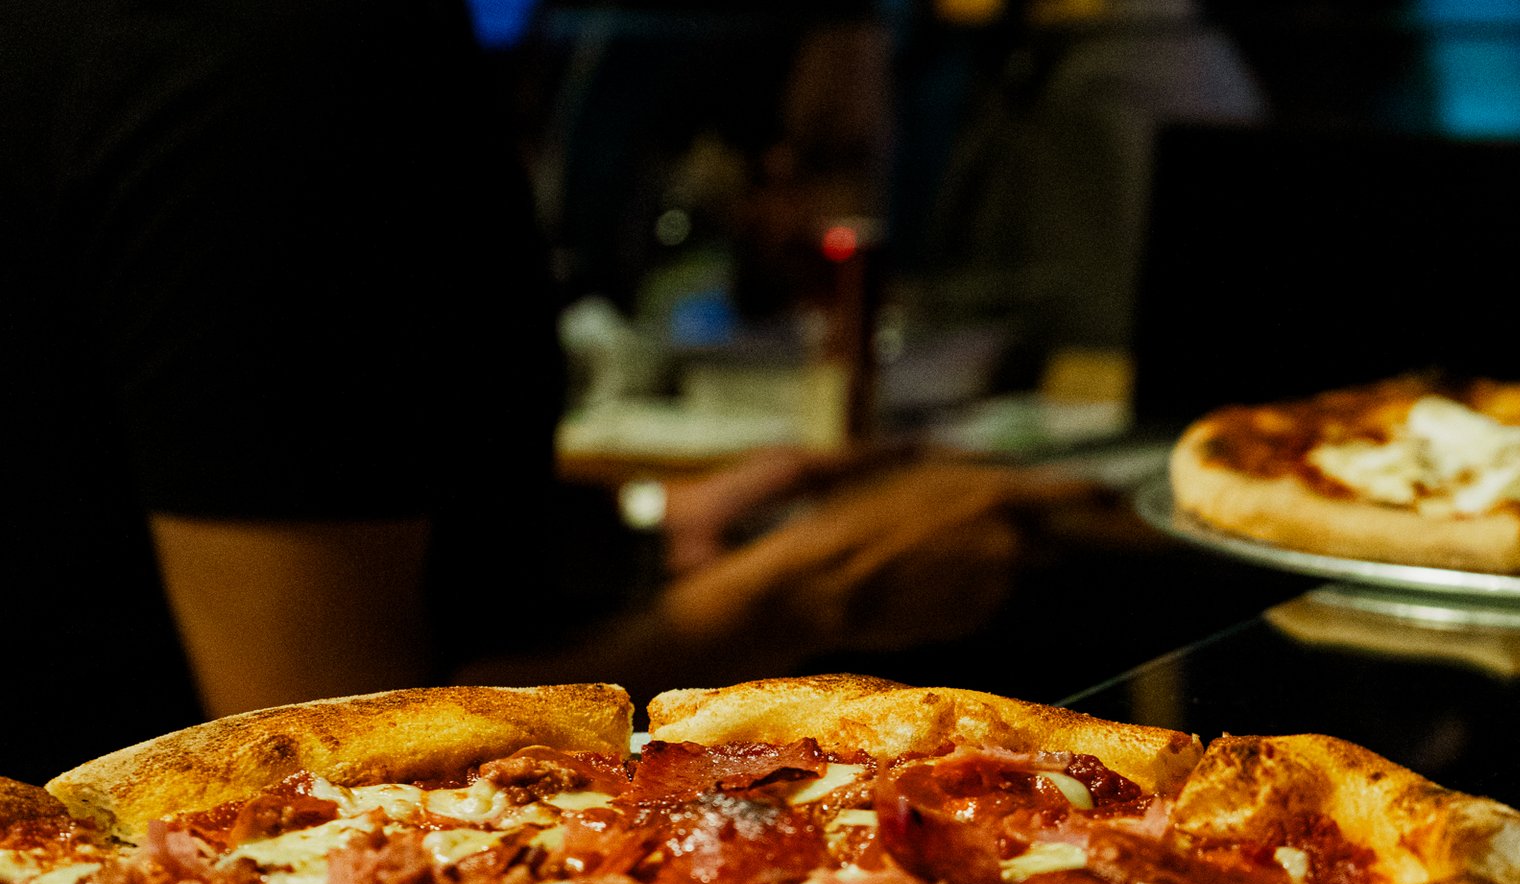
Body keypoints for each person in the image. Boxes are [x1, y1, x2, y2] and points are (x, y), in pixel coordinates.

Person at [0, 0, 1076, 783]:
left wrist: (645, 537)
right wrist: (812, 593)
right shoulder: (283, 59)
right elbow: (312, 738)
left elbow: (136, 462)